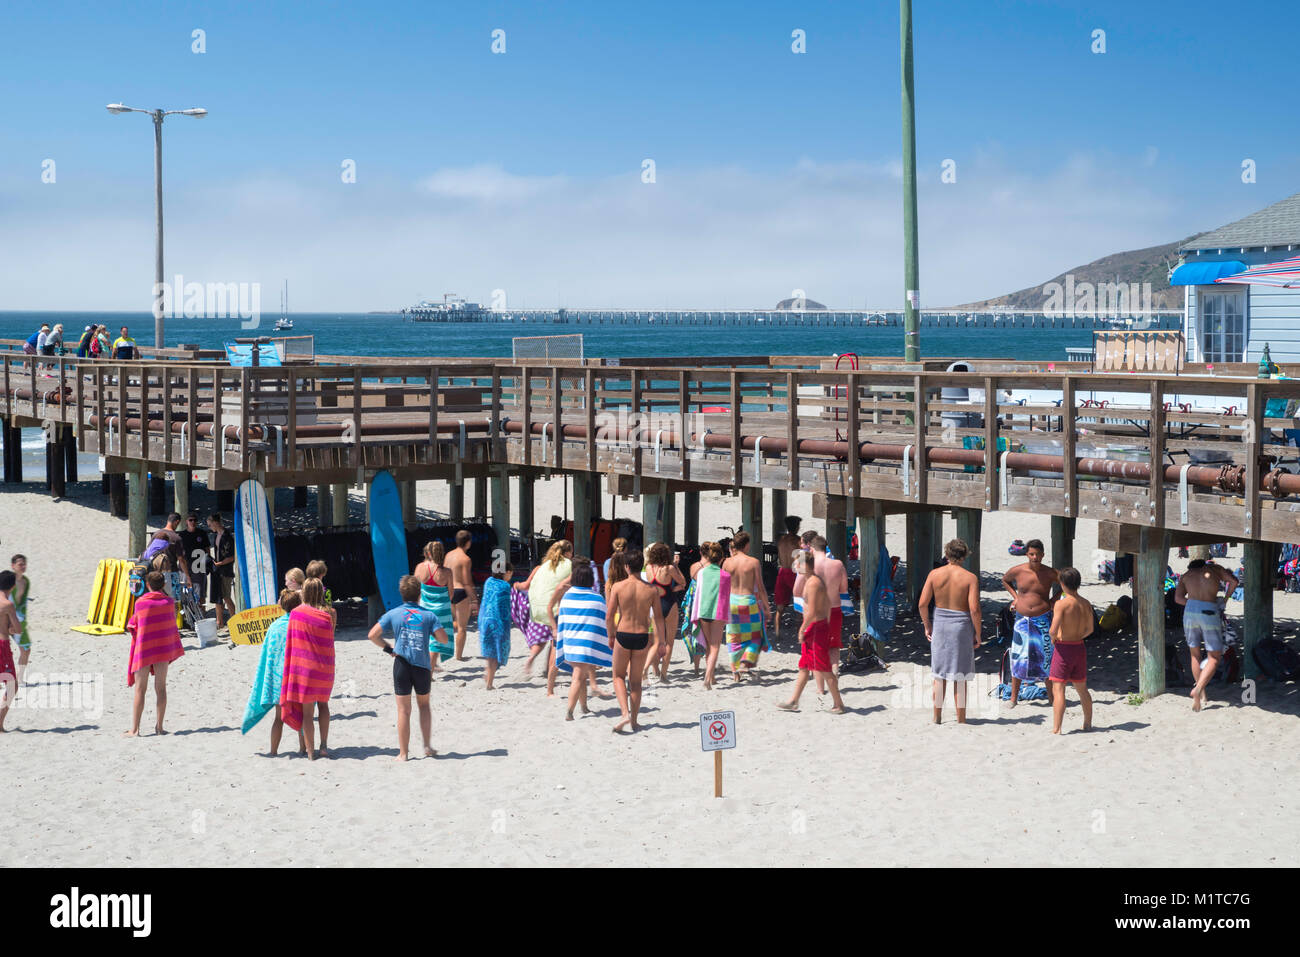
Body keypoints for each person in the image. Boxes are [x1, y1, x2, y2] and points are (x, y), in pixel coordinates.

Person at [368, 575, 450, 761]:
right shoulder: (428, 615)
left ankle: (403, 753)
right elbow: (443, 639)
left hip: (401, 665)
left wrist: (389, 648)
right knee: (424, 706)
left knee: (403, 711)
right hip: (422, 666)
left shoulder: (393, 613)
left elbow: (372, 635)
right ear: (420, 594)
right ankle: (427, 746)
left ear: (401, 594)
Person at [919, 539, 981, 724]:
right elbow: (974, 609)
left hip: (940, 624)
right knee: (959, 675)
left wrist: (927, 625)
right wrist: (978, 633)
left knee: (940, 674)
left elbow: (922, 604)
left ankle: (937, 717)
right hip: (961, 626)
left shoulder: (934, 574)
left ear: (946, 554)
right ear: (964, 556)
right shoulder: (970, 578)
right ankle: (961, 719)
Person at [605, 548, 665, 733]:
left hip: (623, 634)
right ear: (642, 567)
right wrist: (661, 642)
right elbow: (659, 618)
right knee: (636, 681)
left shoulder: (618, 587)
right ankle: (635, 720)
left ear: (627, 567)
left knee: (618, 676)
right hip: (641, 636)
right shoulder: (651, 590)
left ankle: (624, 713)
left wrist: (611, 635)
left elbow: (609, 615)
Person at [778, 551, 845, 714]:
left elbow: (813, 610)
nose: (795, 566)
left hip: (815, 629)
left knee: (824, 668)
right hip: (815, 627)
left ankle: (839, 704)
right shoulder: (811, 581)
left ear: (805, 565)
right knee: (804, 666)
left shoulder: (814, 582)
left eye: (797, 563)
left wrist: (803, 628)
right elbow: (827, 603)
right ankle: (794, 701)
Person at [240, 588, 303, 754]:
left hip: (278, 681)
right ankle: (304, 749)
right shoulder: (301, 625)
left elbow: (268, 657)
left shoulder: (274, 627)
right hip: (297, 678)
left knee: (278, 718)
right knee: (302, 716)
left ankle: (273, 751)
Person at [125, 571, 185, 736]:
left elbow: (134, 624)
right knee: (161, 688)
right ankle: (159, 727)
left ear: (148, 584)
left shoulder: (140, 603)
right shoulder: (169, 602)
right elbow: (170, 626)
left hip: (144, 649)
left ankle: (135, 730)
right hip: (162, 649)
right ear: (163, 584)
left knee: (140, 689)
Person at [1175, 558, 1239, 712]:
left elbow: (1177, 599)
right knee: (1214, 657)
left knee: (1194, 654)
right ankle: (1198, 689)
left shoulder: (1186, 575)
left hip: (1189, 612)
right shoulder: (1214, 569)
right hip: (1209, 610)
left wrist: (1193, 604)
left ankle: (1202, 693)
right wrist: (1225, 599)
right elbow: (1234, 581)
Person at [281, 577, 335, 760]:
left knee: (307, 713)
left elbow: (292, 644)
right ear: (321, 592)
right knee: (324, 706)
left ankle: (311, 752)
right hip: (324, 668)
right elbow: (329, 642)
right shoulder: (328, 615)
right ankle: (324, 746)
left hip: (305, 669)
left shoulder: (296, 613)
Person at [552, 559, 612, 721]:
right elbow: (603, 623)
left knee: (581, 675)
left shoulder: (567, 597)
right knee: (578, 677)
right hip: (586, 645)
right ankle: (569, 712)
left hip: (571, 643)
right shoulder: (597, 599)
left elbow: (562, 620)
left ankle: (584, 707)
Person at [1001, 538, 1058, 706]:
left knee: (1046, 658)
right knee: (1019, 658)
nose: (1035, 557)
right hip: (1022, 620)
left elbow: (1065, 584)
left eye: (1038, 554)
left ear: (1043, 555)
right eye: (1032, 554)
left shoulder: (1050, 572)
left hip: (1043, 619)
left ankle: (1052, 699)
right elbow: (1005, 580)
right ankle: (1013, 698)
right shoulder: (1018, 571)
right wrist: (1016, 598)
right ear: (1026, 554)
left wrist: (1054, 600)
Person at [516, 539, 572, 695]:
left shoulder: (540, 568)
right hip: (554, 608)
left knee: (551, 640)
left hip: (538, 609)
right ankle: (550, 686)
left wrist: (516, 586)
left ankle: (540, 664)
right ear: (567, 553)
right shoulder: (568, 565)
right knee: (555, 644)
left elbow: (525, 586)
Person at [1048, 567, 1093, 733]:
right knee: (1082, 688)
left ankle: (1057, 727)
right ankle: (1088, 723)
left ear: (1062, 584)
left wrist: (1055, 638)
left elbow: (1053, 629)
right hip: (1079, 647)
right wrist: (1077, 635)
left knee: (1058, 689)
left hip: (1064, 649)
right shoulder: (1085, 603)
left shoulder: (1061, 604)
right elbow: (1090, 629)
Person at [722, 531, 773, 678]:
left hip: (732, 602)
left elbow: (723, 587)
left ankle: (735, 671)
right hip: (748, 602)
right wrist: (767, 607)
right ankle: (745, 663)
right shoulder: (753, 562)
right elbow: (761, 587)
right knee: (755, 636)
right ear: (746, 545)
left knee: (733, 637)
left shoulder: (727, 562)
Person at [687, 541, 731, 688]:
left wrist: (696, 614)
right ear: (721, 558)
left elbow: (698, 594)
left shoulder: (702, 573)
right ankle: (707, 678)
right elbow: (725, 598)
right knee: (715, 646)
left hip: (703, 611)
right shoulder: (725, 575)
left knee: (707, 645)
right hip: (717, 612)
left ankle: (711, 677)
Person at [643, 542, 686, 682]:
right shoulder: (669, 568)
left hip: (655, 605)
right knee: (669, 642)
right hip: (669, 602)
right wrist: (676, 566)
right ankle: (663, 674)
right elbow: (683, 583)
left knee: (657, 641)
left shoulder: (648, 568)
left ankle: (649, 669)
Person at [414, 541, 454, 670]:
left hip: (424, 608)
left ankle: (428, 665)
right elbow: (451, 594)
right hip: (442, 610)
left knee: (426, 638)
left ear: (428, 553)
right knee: (436, 642)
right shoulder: (447, 572)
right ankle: (430, 670)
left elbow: (415, 590)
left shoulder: (420, 567)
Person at [478, 562, 513, 689]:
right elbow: (506, 608)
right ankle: (489, 683)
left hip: (484, 620)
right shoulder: (505, 586)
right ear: (506, 572)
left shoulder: (488, 581)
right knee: (494, 654)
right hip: (498, 622)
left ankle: (488, 675)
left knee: (489, 651)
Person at [445, 530, 478, 661]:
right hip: (460, 591)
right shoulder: (465, 559)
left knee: (456, 622)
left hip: (448, 591)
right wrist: (474, 599)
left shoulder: (448, 555)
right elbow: (467, 582)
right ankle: (458, 656)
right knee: (462, 628)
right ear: (468, 543)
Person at [0, 570, 22, 732]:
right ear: (13, 586)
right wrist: (9, 629)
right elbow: (18, 629)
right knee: (12, 686)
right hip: (2, 645)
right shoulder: (7, 605)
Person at [208, 513, 236, 629]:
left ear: (215, 523)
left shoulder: (227, 536)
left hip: (225, 569)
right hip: (218, 569)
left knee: (226, 596)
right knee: (217, 596)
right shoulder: (216, 535)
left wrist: (221, 563)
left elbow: (232, 556)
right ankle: (219, 623)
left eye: (210, 525)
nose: (210, 527)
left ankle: (234, 621)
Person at [774, 516, 802, 622]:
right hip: (794, 572)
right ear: (797, 527)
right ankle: (800, 628)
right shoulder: (798, 541)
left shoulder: (781, 540)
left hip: (782, 571)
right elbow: (801, 559)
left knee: (780, 605)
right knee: (800, 599)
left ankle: (776, 629)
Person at [10, 555, 31, 681]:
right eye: (20, 564)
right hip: (7, 620)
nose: (23, 566)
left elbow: (22, 603)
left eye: (24, 564)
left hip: (20, 620)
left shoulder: (26, 581)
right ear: (13, 566)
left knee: (26, 650)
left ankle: (19, 679)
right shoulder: (7, 581)